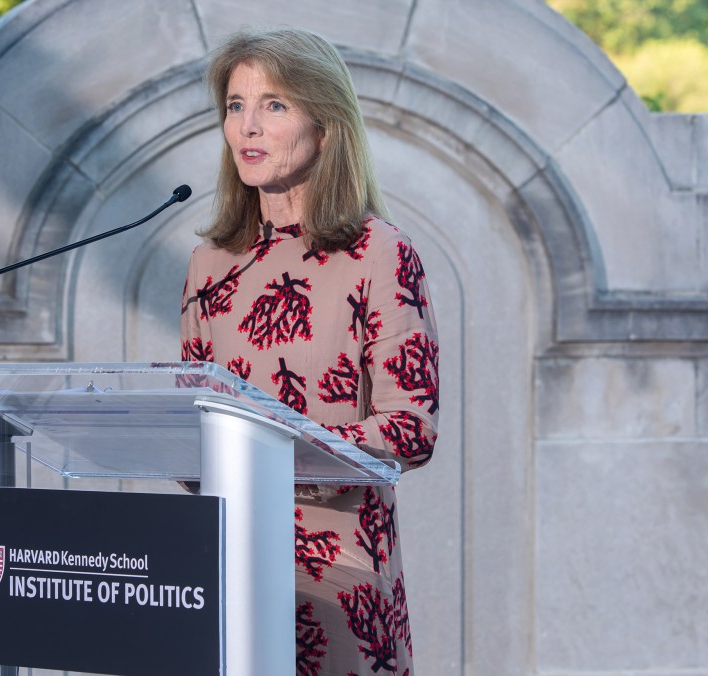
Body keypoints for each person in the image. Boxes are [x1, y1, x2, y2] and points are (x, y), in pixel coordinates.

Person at [180, 28, 439, 675]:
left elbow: (411, 428)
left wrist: (272, 452)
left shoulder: (379, 251)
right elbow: (193, 425)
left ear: (325, 125)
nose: (247, 125)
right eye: (235, 105)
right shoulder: (210, 265)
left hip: (339, 581)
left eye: (274, 104)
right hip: (227, 570)